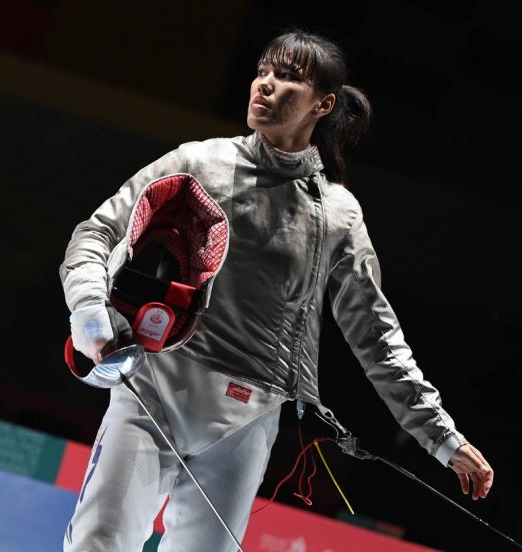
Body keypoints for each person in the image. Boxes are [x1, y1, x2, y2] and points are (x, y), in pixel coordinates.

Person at [58, 29, 494, 551]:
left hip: (248, 418)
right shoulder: (198, 161)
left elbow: (377, 338)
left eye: (286, 77)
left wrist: (443, 439)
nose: (264, 84)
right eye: (262, 71)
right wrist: (89, 309)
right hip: (156, 389)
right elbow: (96, 233)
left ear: (323, 105)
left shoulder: (338, 214)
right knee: (98, 542)